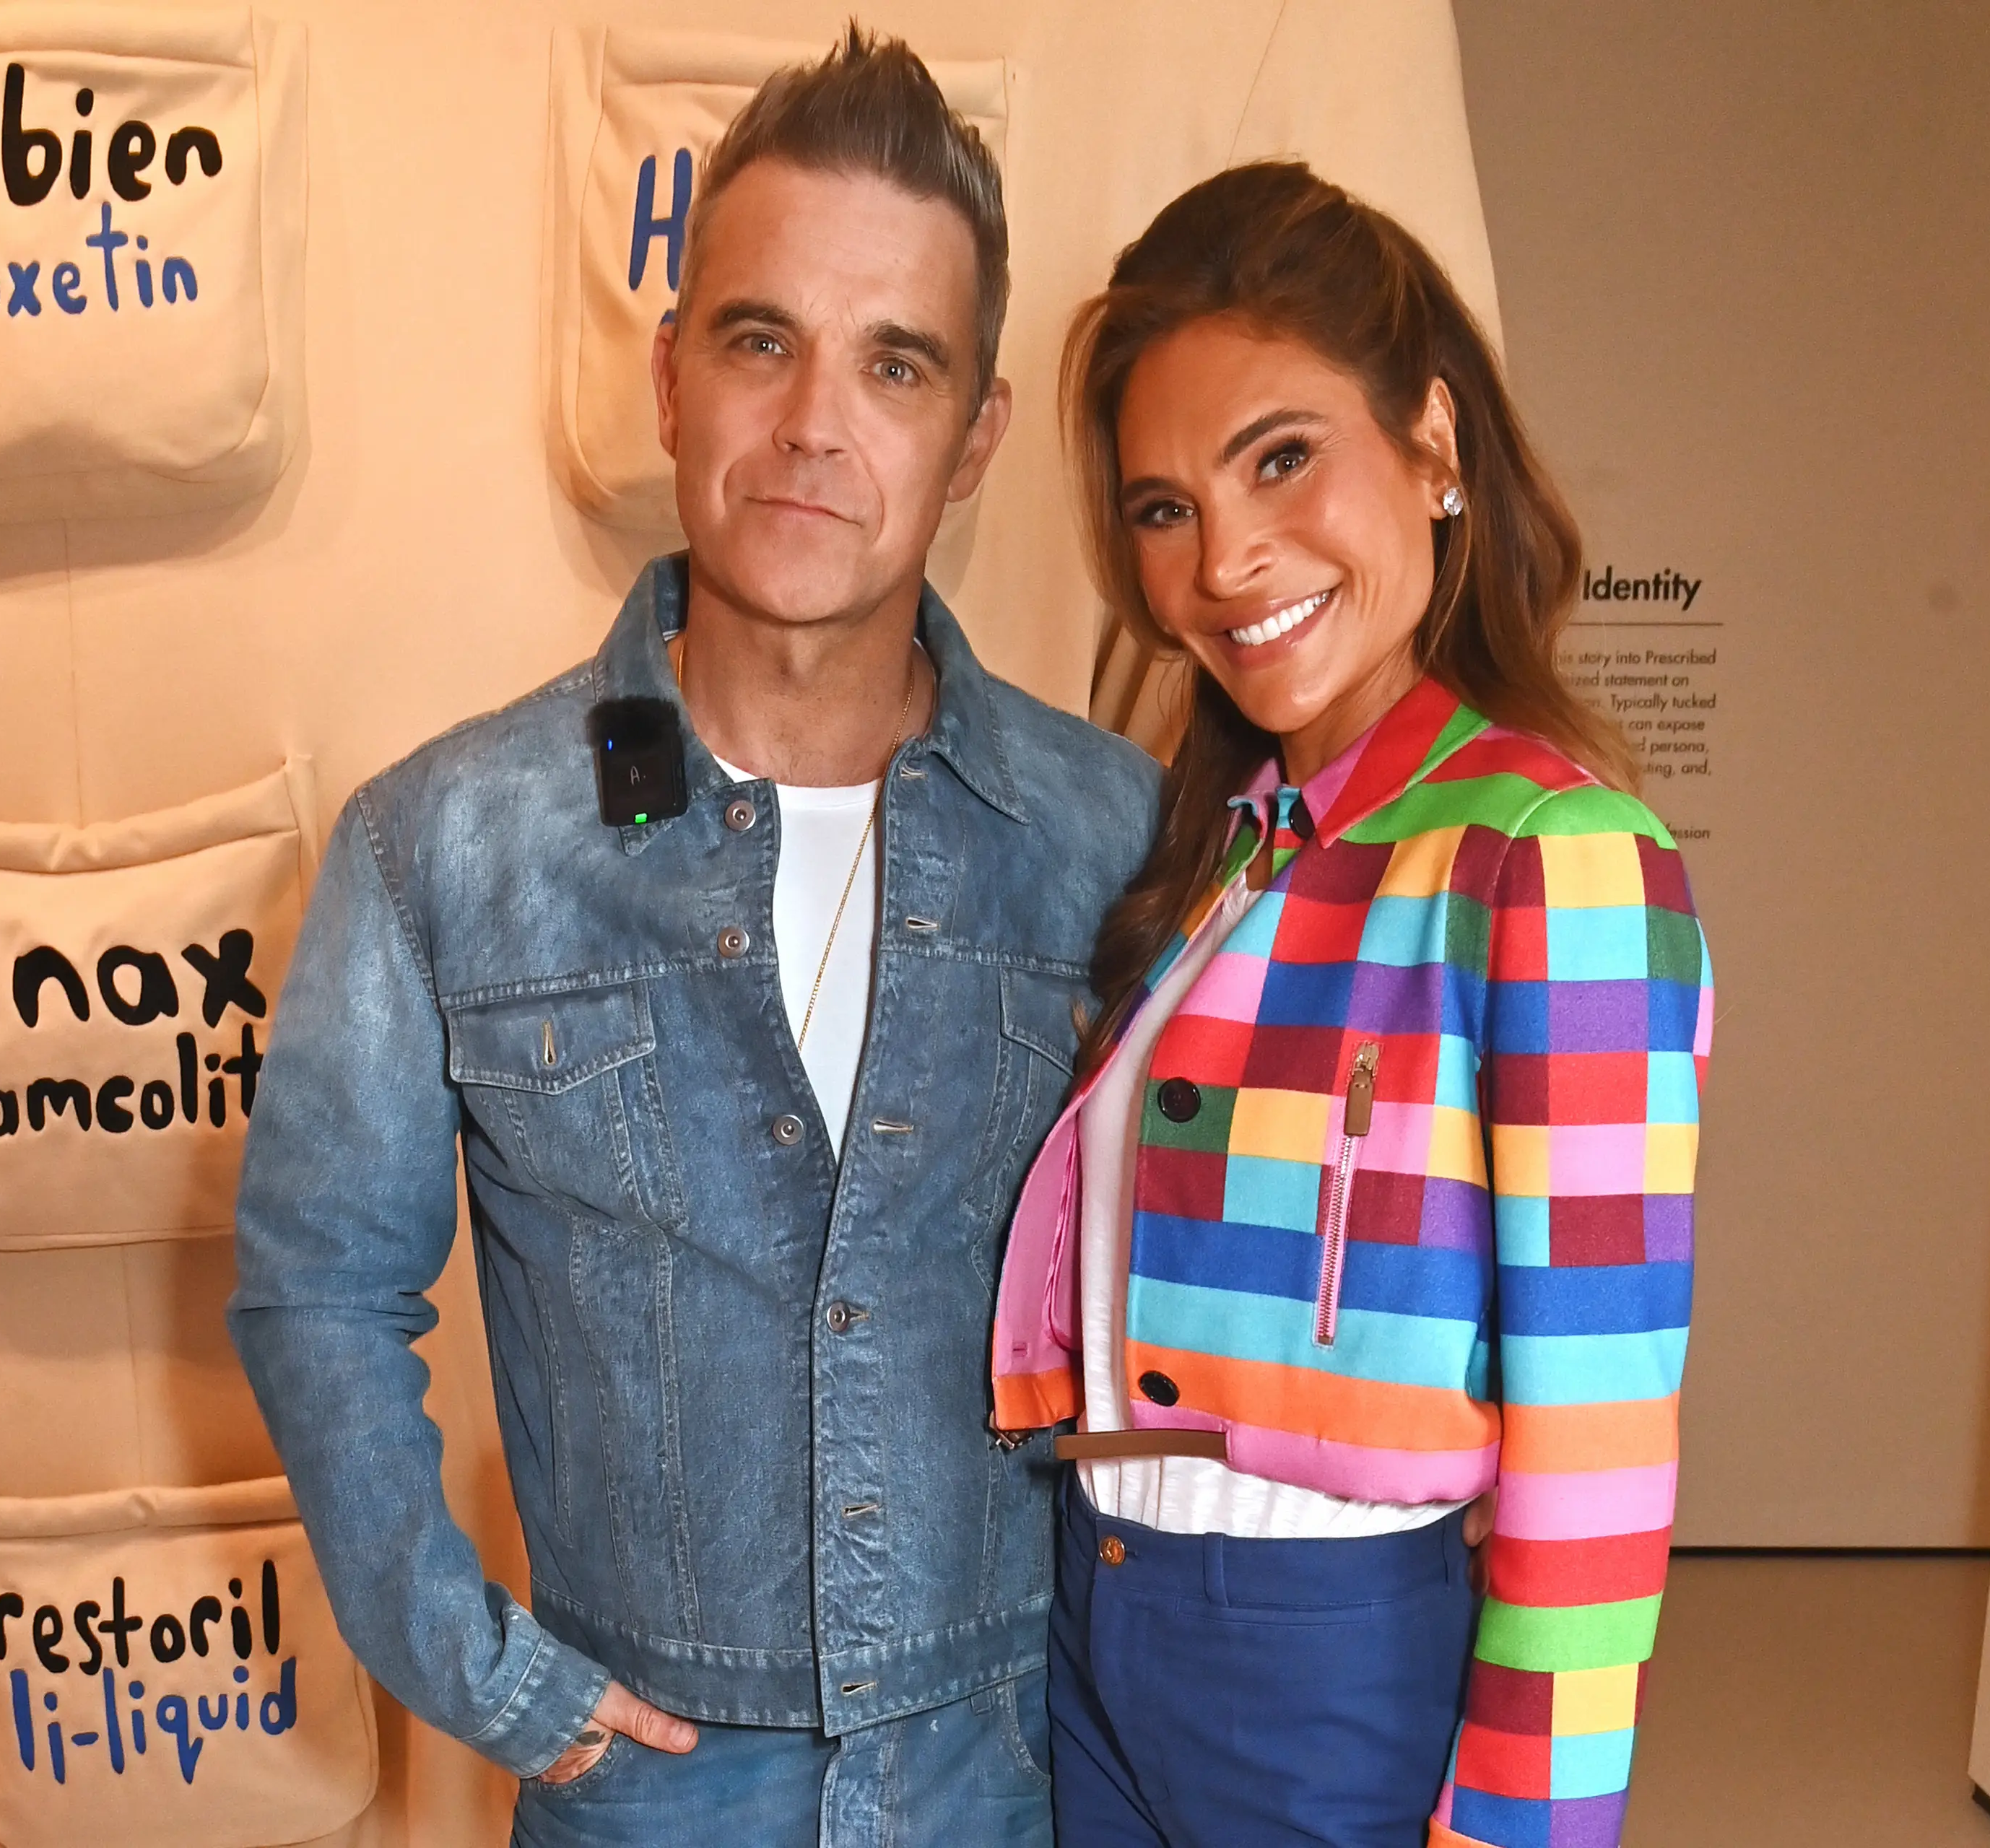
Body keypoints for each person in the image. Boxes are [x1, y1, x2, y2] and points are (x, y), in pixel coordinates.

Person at [230, 29, 1159, 1848]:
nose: (816, 423)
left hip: (1021, 1776)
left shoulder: (1109, 834)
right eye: (762, 340)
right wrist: (494, 1677)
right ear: (671, 379)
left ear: (971, 442)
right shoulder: (450, 844)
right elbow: (319, 1289)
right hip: (643, 1790)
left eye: (895, 363)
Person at [991, 162, 1710, 1848]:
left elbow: (1602, 1441)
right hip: (1092, 1606)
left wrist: (1530, 1822)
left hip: (1327, 1657)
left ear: (1437, 444)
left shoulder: (1553, 854)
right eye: (1163, 507)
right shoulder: (1213, 842)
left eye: (1284, 456)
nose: (1225, 560)